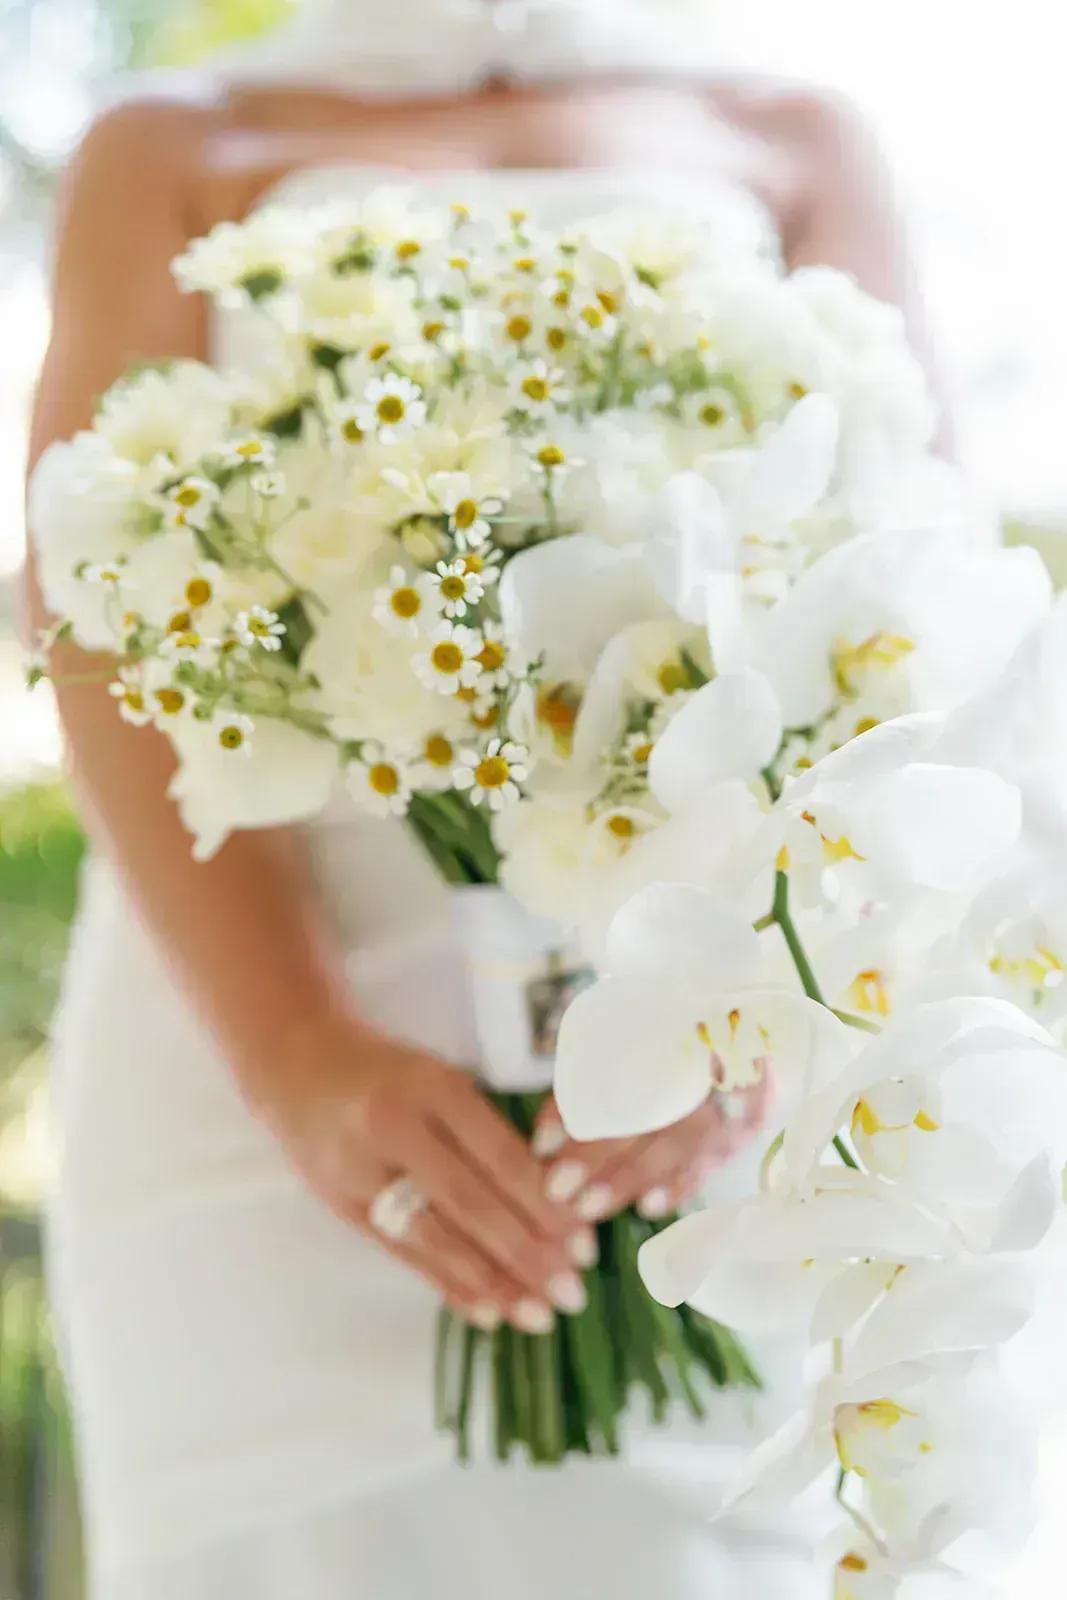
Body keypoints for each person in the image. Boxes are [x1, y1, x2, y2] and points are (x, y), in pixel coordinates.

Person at [23, 3, 941, 1596]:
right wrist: (297, 1054)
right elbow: (96, 618)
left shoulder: (789, 138)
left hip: (704, 1083)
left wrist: (752, 1010)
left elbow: (905, 618)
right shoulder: (166, 148)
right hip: (252, 1070)